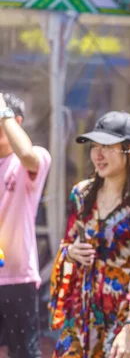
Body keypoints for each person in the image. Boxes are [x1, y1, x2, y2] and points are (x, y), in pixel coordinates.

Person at [48, 111, 130, 357]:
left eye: (106, 147)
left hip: (123, 317)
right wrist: (70, 253)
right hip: (81, 315)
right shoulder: (80, 194)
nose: (97, 155)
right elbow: (67, 244)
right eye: (94, 147)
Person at [0, 93, 51, 358]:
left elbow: (28, 156)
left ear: (15, 121)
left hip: (19, 278)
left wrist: (3, 110)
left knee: (24, 354)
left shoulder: (34, 158)